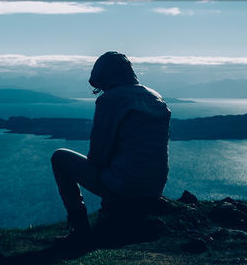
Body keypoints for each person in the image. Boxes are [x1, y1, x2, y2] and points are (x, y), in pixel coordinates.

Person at [51, 51, 171, 243]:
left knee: (59, 158)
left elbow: (98, 156)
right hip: (154, 187)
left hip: (124, 187)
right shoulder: (156, 97)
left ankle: (80, 230)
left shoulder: (111, 99)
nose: (101, 90)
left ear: (106, 77)